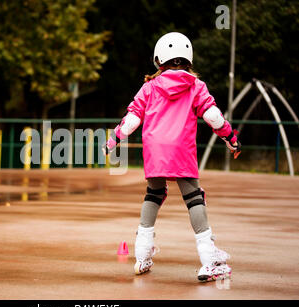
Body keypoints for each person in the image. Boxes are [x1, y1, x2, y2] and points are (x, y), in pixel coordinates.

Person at [103, 32, 241, 282]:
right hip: (181, 149)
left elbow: (133, 119)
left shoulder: (150, 87)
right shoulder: (196, 86)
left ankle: (142, 254)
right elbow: (213, 118)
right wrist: (230, 138)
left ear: (159, 60)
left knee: (154, 194)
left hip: (155, 148)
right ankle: (210, 260)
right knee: (194, 198)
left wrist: (114, 139)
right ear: (188, 58)